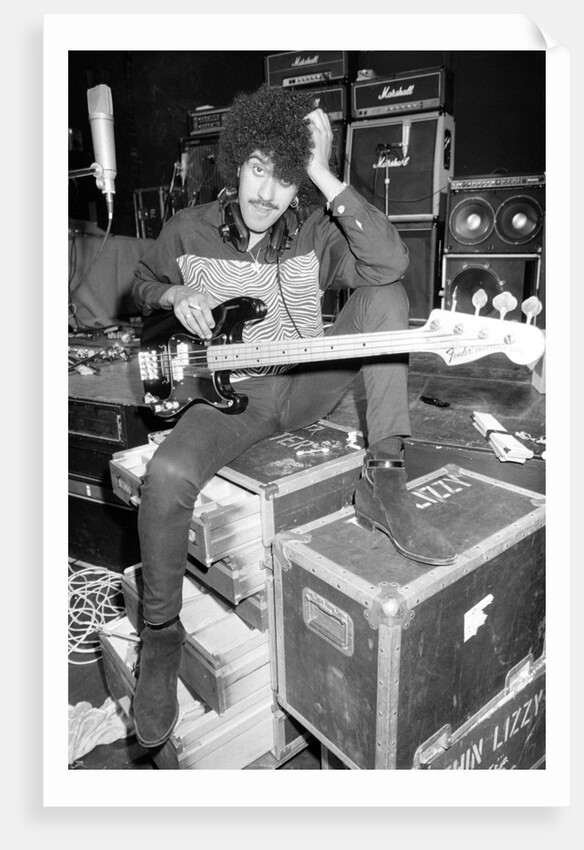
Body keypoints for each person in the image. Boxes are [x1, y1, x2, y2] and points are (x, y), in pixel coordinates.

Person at [130, 83, 456, 749]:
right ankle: (161, 637)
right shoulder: (187, 229)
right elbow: (138, 285)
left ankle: (386, 476)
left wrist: (322, 173)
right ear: (235, 163)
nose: (265, 194)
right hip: (235, 399)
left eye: (284, 178)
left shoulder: (313, 229)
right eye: (257, 170)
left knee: (385, 296)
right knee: (165, 478)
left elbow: (391, 263)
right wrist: (173, 291)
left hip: (309, 384)